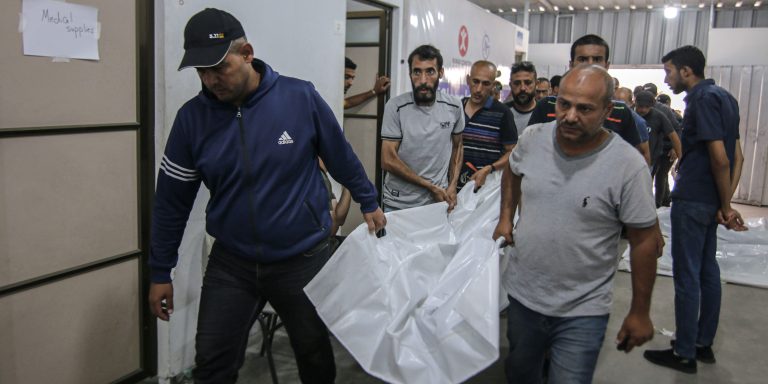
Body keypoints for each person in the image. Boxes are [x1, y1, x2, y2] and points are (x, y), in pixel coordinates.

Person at [148, 9, 386, 384]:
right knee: (211, 362)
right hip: (233, 264)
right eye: (201, 72)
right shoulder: (191, 120)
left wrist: (368, 200)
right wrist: (161, 270)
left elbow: (340, 155)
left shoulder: (298, 97)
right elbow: (170, 203)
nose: (211, 80)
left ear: (247, 53)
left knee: (314, 355)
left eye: (219, 67)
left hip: (302, 258)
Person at [494, 64, 660, 384]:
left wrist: (640, 311)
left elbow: (643, 240)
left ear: (607, 110)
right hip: (524, 298)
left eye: (584, 109)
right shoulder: (532, 138)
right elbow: (512, 171)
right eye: (564, 104)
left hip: (583, 310)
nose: (570, 116)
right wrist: (505, 219)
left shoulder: (628, 166)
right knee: (520, 374)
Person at [644, 45, 747, 374]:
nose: (666, 79)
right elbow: (738, 157)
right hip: (710, 200)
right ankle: (702, 343)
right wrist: (724, 202)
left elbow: (720, 157)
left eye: (669, 72)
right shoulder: (726, 99)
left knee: (687, 276)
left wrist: (727, 205)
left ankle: (685, 352)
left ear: (686, 71)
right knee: (707, 271)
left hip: (693, 200)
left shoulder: (700, 100)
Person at [527, 35, 648, 161]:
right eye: (583, 59)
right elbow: (528, 149)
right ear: (571, 64)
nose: (590, 65)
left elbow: (634, 157)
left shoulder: (621, 112)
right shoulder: (547, 106)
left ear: (606, 65)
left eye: (597, 59)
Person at [380, 45, 464, 212]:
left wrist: (453, 185)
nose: (423, 80)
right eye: (417, 72)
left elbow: (458, 146)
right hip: (399, 203)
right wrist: (429, 186)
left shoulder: (454, 106)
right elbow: (387, 160)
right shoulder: (395, 107)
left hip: (438, 202)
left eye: (430, 72)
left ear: (441, 73)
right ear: (410, 74)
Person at [459, 60, 517, 191]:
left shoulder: (503, 113)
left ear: (493, 85)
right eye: (475, 81)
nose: (479, 89)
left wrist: (490, 168)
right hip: (454, 189)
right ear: (468, 80)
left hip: (485, 190)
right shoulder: (456, 109)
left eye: (486, 84)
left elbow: (512, 151)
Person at [634, 91, 683, 204]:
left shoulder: (658, 116)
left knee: (645, 186)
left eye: (647, 107)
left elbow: (674, 135)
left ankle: (652, 207)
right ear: (635, 102)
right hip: (629, 159)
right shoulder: (629, 114)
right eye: (640, 107)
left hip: (649, 159)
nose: (643, 110)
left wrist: (681, 157)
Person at [615, 87, 651, 165]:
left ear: (631, 103)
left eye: (622, 103)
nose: (618, 106)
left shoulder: (638, 122)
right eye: (615, 101)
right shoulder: (604, 116)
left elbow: (645, 153)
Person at [504, 61, 538, 134]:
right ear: (510, 85)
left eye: (528, 83)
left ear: (536, 84)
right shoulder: (502, 112)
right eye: (517, 83)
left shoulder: (544, 113)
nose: (522, 88)